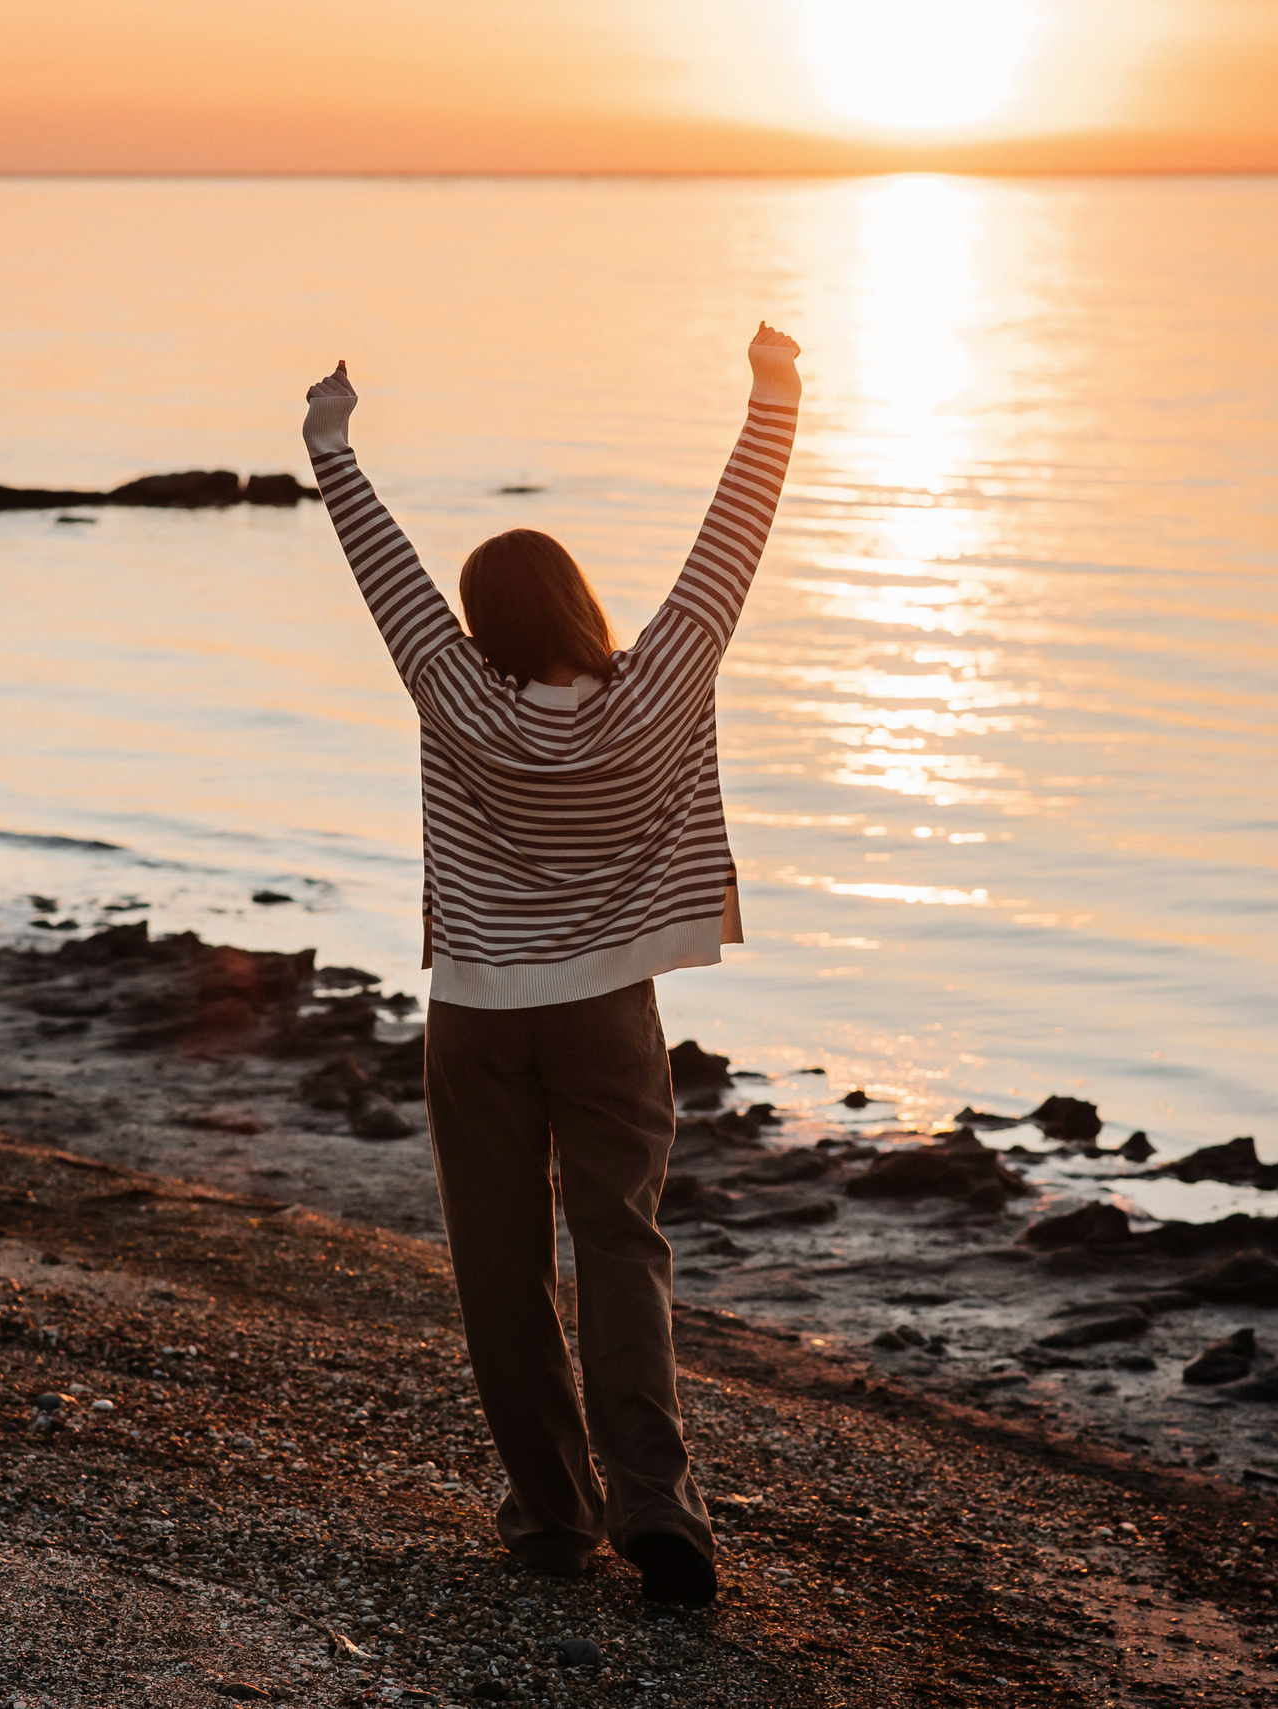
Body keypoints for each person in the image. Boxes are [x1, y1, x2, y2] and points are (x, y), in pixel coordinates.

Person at [300, 324, 801, 1605]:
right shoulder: (656, 691)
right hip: (604, 1019)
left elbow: (387, 574)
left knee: (500, 1268)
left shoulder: (454, 695)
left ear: (479, 626)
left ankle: (552, 1517)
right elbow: (724, 552)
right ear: (582, 605)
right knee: (622, 1247)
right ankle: (656, 1504)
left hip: (476, 1017)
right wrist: (772, 397)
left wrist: (331, 442)